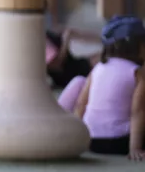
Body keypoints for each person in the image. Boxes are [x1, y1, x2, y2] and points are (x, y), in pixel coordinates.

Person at [57, 15, 145, 159]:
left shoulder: (98, 68)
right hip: (120, 142)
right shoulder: (137, 73)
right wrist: (134, 148)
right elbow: (138, 112)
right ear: (139, 46)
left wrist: (77, 138)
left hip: (91, 141)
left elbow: (81, 104)